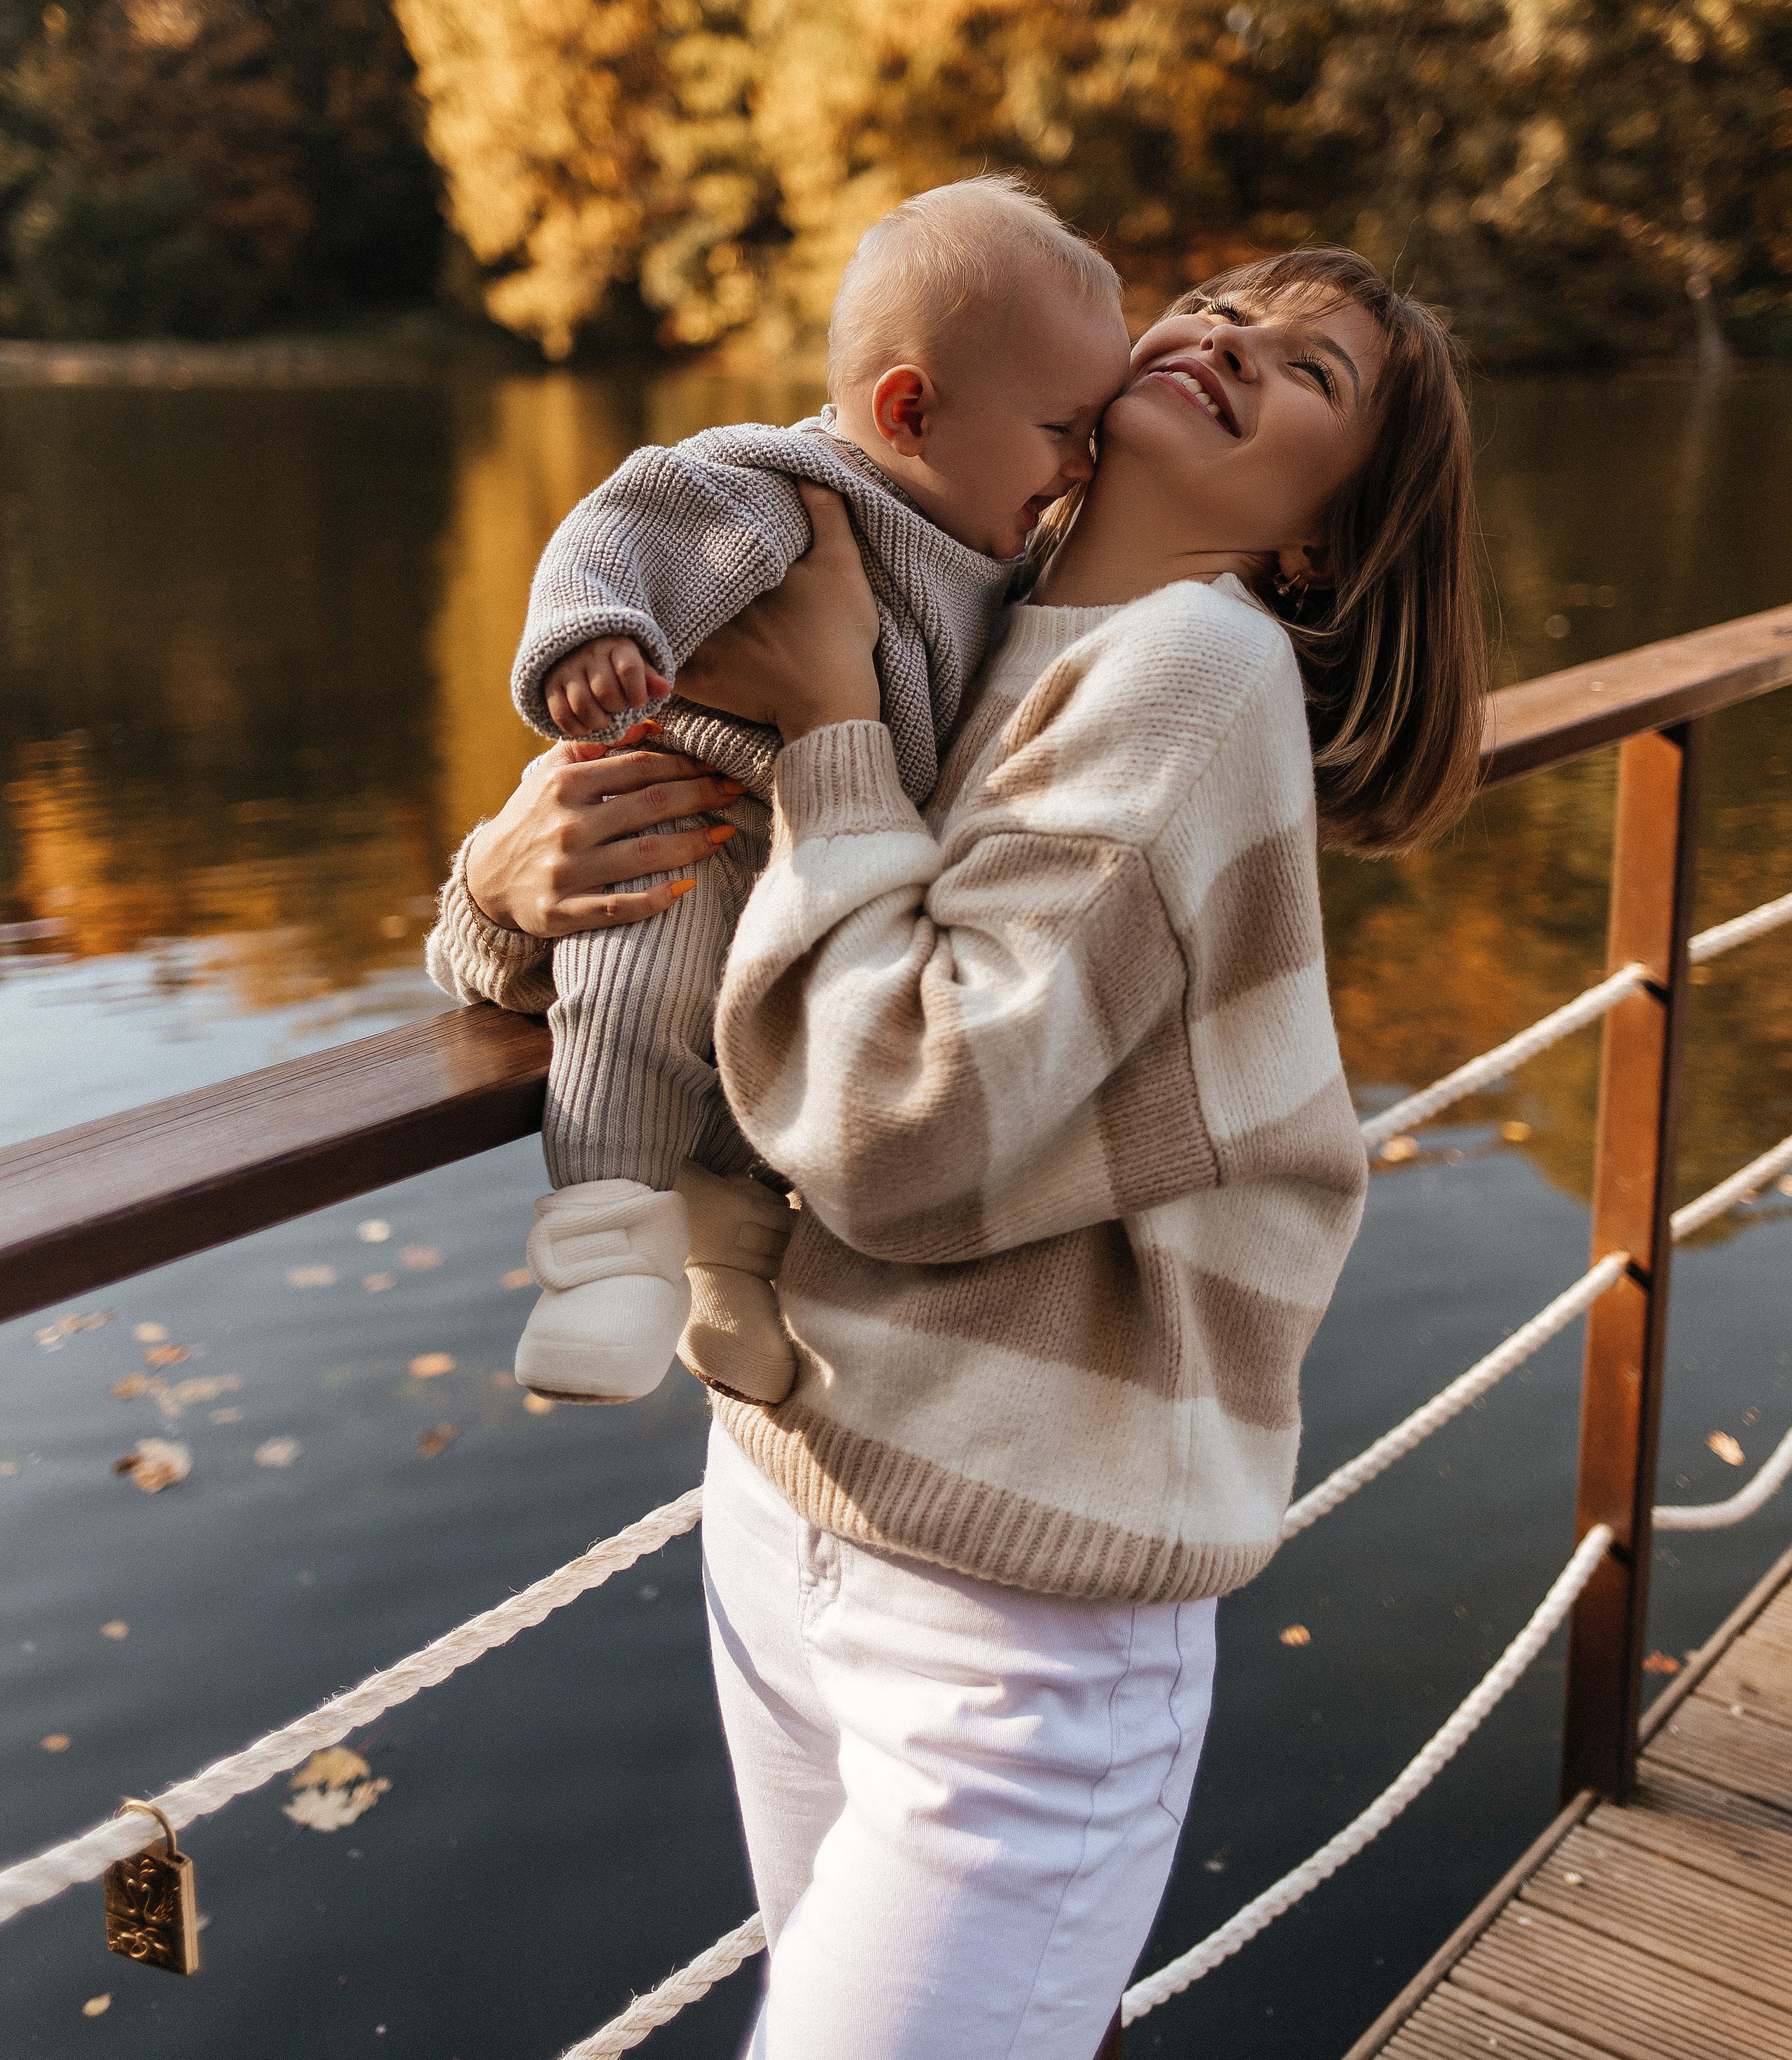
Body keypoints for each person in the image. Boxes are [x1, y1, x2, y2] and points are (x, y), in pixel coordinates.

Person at [430, 247, 1486, 2059]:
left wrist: (828, 712)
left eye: (1309, 370)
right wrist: (501, 882)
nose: (1233, 342)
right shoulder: (961, 607)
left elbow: (901, 1125)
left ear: (1320, 537)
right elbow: (684, 929)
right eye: (1226, 306)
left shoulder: (1192, 674)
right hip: (789, 1495)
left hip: (1016, 1614)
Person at [431, 176, 1130, 1408]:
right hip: (688, 822)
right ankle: (601, 1262)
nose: (1082, 468)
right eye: (1065, 430)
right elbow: (618, 529)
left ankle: (729, 1270)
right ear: (909, 408)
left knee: (767, 1078)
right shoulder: (790, 497)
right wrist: (597, 636)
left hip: (825, 872)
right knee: (637, 1012)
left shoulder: (1006, 554)